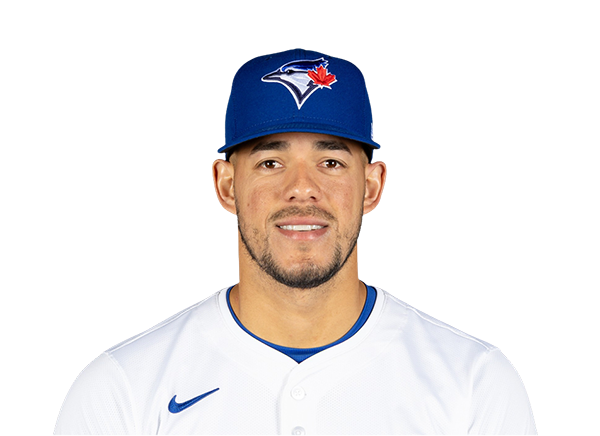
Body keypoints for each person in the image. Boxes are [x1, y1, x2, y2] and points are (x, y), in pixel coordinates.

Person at [54, 49, 537, 435]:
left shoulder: (473, 382)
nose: (302, 189)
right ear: (226, 186)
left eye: (331, 163)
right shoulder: (122, 387)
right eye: (270, 163)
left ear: (371, 187)